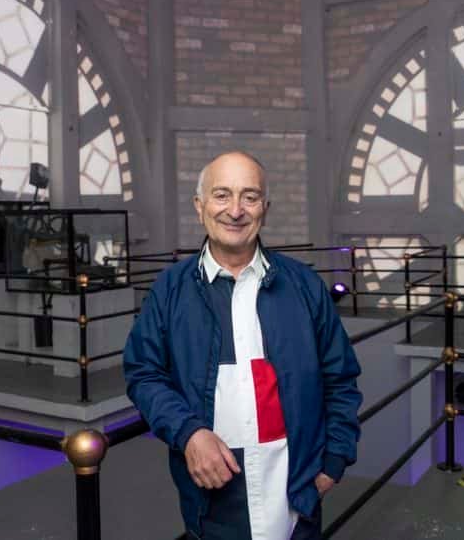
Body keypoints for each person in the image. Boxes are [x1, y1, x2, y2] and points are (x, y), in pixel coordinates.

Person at [124, 151, 362, 540]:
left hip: (298, 503)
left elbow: (340, 380)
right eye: (222, 195)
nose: (235, 210)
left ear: (264, 209)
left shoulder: (304, 287)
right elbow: (144, 374)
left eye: (249, 197)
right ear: (199, 206)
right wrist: (189, 433)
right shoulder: (169, 290)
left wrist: (333, 462)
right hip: (211, 507)